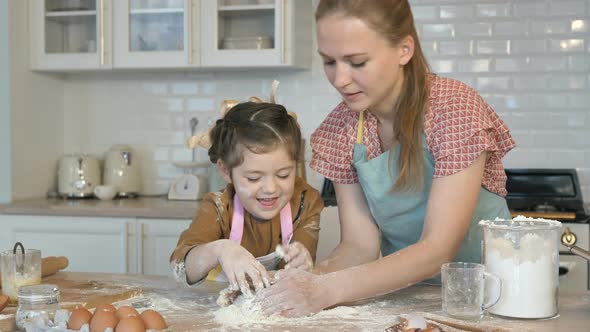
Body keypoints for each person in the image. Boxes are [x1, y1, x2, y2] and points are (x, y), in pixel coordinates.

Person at [258, 0, 516, 317]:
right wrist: (299, 283)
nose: (339, 80)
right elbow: (359, 247)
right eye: (329, 62)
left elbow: (438, 249)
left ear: (404, 50)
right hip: (409, 298)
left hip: (493, 298)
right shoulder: (342, 130)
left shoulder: (454, 109)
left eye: (357, 62)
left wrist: (326, 289)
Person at [170, 101, 324, 297]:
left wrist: (301, 258)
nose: (270, 189)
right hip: (219, 311)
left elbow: (296, 271)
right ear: (226, 171)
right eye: (253, 178)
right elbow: (181, 266)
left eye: (284, 175)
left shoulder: (305, 201)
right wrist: (221, 250)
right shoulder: (218, 207)